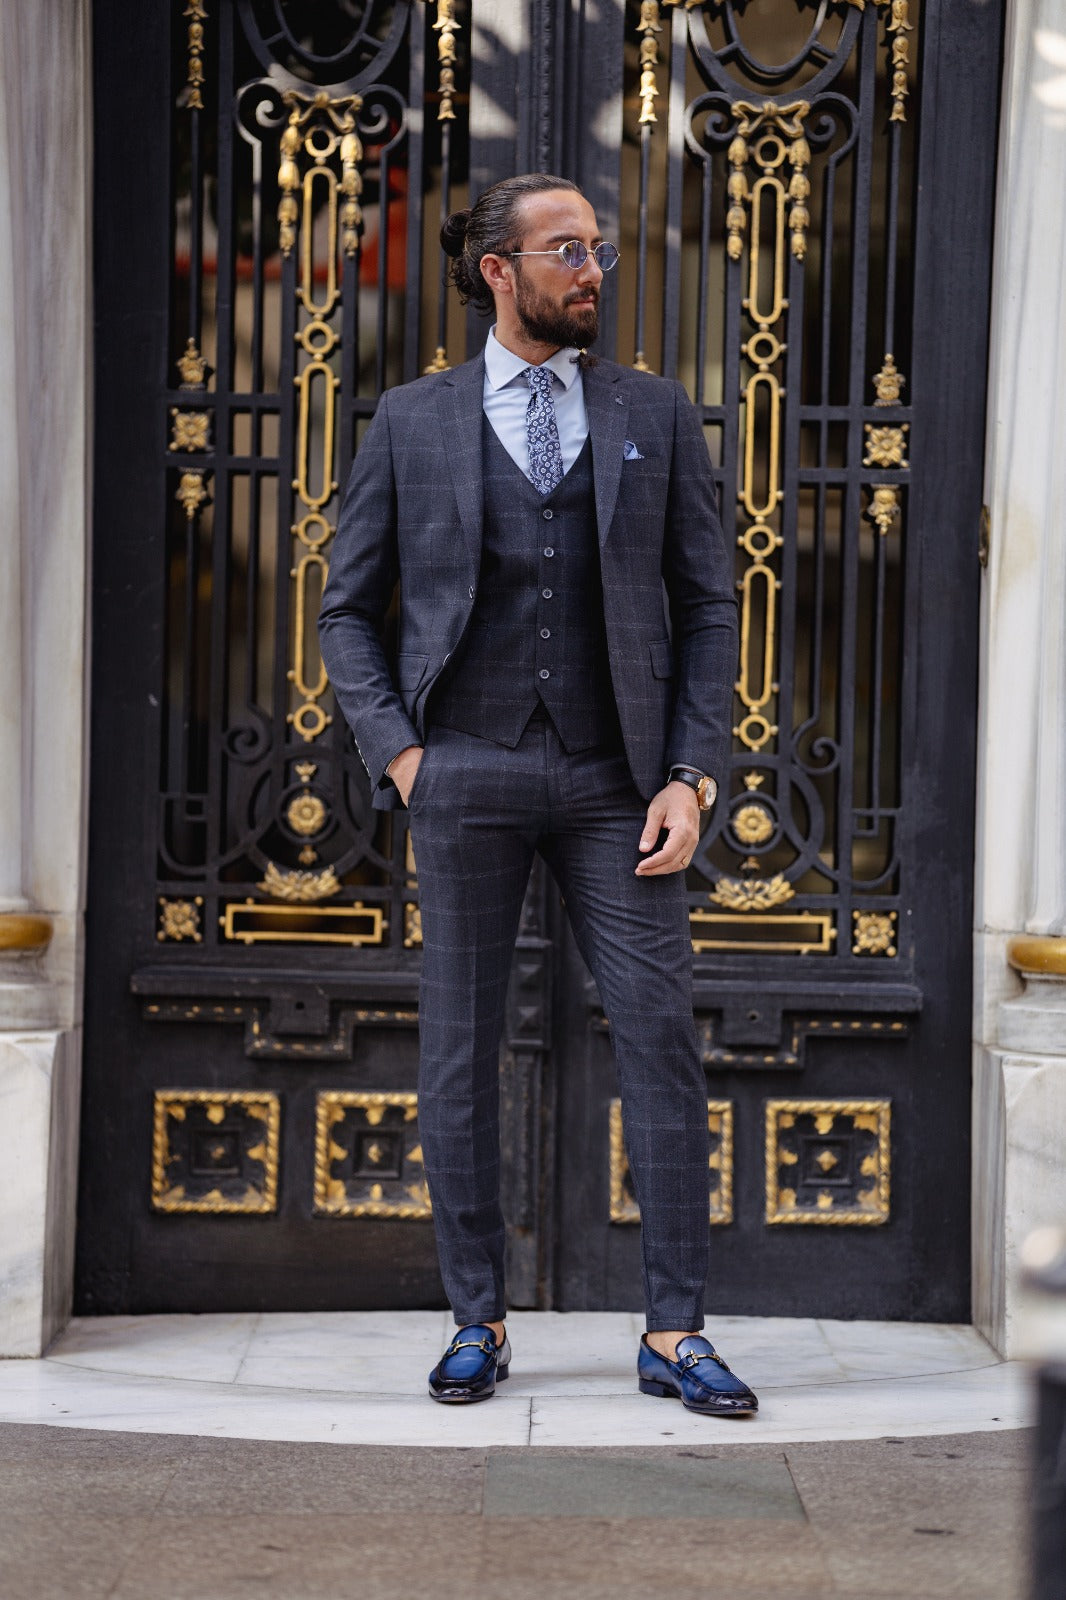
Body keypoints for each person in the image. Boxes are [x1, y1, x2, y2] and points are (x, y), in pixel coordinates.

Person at [318, 173, 757, 1418]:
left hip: (621, 781)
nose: (592, 270)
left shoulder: (654, 414)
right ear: (496, 270)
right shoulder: (409, 420)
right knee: (458, 1048)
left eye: (598, 249)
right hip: (463, 767)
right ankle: (476, 1317)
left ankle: (675, 1332)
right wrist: (404, 755)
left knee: (663, 1045)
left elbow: (708, 601)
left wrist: (691, 771)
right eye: (566, 250)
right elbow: (348, 609)